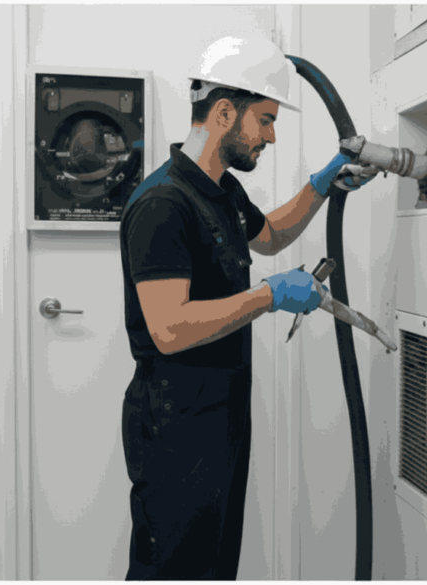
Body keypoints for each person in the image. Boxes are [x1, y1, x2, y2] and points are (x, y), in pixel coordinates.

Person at [118, 36, 376, 580]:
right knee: (175, 566)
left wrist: (321, 185)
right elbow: (167, 328)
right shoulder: (163, 204)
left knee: (213, 564)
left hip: (221, 414)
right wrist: (267, 297)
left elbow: (272, 235)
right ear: (223, 112)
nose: (271, 136)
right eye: (264, 120)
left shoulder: (221, 190)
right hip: (176, 423)